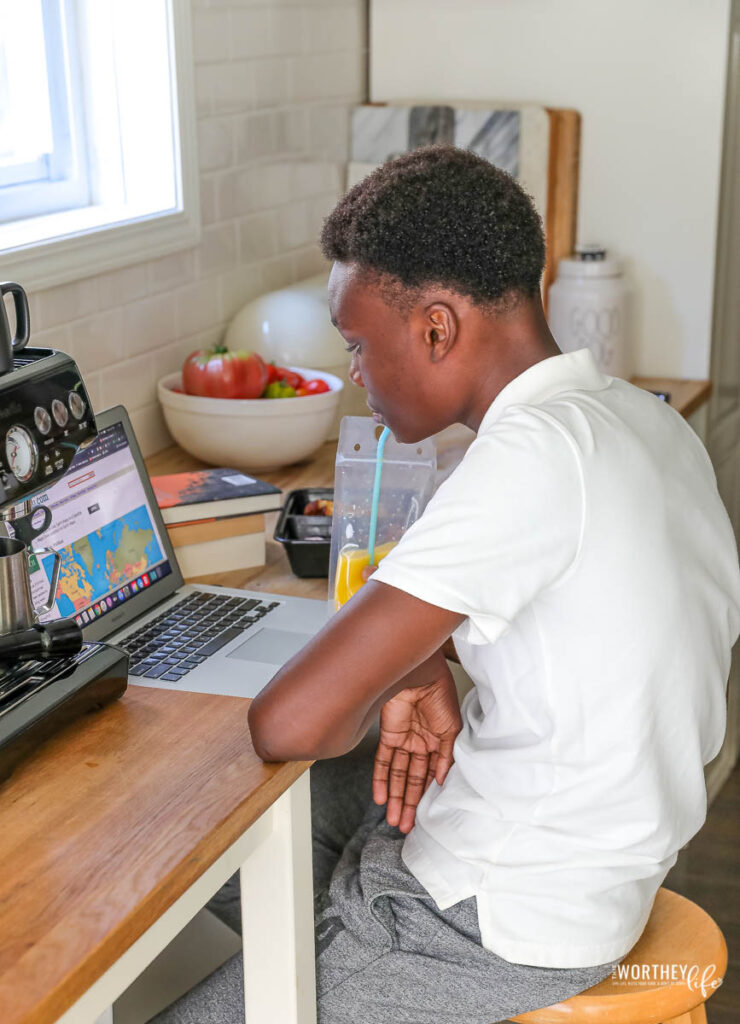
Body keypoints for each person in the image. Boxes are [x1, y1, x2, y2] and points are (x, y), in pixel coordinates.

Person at [152, 145, 740, 1024]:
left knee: (210, 821)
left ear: (434, 327)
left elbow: (289, 721)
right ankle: (325, 967)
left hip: (491, 917)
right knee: (239, 830)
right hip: (594, 852)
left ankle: (342, 965)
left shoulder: (530, 457)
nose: (354, 372)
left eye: (356, 344)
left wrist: (395, 668)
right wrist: (417, 667)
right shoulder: (631, 416)